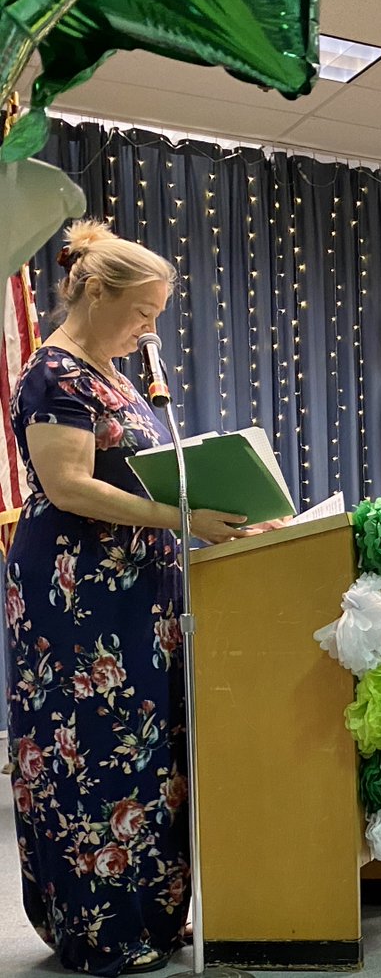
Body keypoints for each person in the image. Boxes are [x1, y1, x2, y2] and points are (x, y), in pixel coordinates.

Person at [4, 221, 255, 975]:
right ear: (96, 292)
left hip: (143, 590)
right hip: (77, 597)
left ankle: (150, 910)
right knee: (91, 754)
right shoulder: (55, 374)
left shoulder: (115, 375)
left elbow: (145, 473)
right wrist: (181, 518)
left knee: (152, 750)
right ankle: (99, 930)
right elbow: (70, 486)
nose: (151, 329)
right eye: (143, 312)